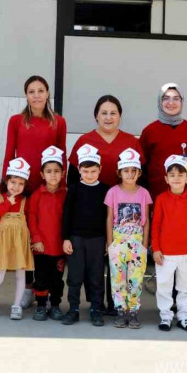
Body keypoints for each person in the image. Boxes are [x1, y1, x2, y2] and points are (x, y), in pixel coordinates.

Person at [67, 95, 144, 315]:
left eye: (113, 113)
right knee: (94, 259)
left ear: (120, 116)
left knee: (118, 255)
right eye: (104, 113)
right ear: (96, 116)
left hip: (123, 212)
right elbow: (72, 179)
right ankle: (94, 303)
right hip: (91, 208)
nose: (108, 117)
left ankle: (115, 303)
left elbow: (141, 178)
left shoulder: (131, 141)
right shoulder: (85, 141)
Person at [1, 76, 67, 310]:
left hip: (50, 188)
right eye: (31, 91)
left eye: (40, 90)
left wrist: (62, 185)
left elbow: (63, 156)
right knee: (28, 240)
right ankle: (29, 288)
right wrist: (5, 186)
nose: (36, 95)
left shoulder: (58, 122)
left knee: (49, 240)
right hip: (24, 188)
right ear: (26, 95)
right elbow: (10, 153)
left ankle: (49, 288)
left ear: (48, 93)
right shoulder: (16, 121)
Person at [151, 155, 187, 332]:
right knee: (164, 286)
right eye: (172, 175)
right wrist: (156, 248)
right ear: (166, 178)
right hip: (165, 254)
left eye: (180, 174)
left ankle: (183, 316)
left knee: (186, 287)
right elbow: (156, 225)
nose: (176, 178)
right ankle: (165, 316)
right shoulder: (161, 199)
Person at [0, 158, 34, 320]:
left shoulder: (25, 201)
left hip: (20, 243)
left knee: (20, 275)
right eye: (13, 182)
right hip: (4, 243)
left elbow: (30, 220)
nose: (16, 187)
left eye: (20, 183)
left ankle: (16, 306)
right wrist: (7, 203)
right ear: (6, 181)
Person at [61, 144, 109, 327]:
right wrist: (66, 238)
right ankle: (73, 308)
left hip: (97, 239)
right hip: (76, 239)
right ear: (79, 170)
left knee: (96, 275)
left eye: (93, 171)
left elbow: (108, 217)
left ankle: (96, 308)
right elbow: (66, 215)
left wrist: (107, 240)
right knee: (74, 275)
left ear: (100, 170)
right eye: (85, 171)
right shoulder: (73, 189)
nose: (89, 175)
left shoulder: (105, 189)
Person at [104, 148, 152, 329]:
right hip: (118, 242)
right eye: (126, 170)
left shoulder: (144, 193)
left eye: (133, 170)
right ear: (119, 172)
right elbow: (109, 218)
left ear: (139, 172)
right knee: (118, 278)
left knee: (136, 277)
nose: (130, 174)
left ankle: (133, 310)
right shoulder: (113, 192)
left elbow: (146, 220)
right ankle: (120, 309)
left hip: (137, 243)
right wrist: (110, 243)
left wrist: (145, 244)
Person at [140, 83, 187, 200]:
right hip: (157, 195)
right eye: (166, 98)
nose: (171, 103)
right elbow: (142, 164)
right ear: (159, 102)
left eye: (176, 98)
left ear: (182, 102)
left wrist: (184, 181)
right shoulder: (149, 131)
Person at [28, 146, 68, 322]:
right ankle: (41, 305)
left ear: (63, 173)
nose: (53, 175)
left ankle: (55, 305)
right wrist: (36, 239)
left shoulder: (66, 194)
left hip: (59, 247)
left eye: (57, 171)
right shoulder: (37, 195)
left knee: (57, 280)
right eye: (49, 171)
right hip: (41, 247)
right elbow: (32, 218)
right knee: (41, 278)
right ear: (42, 174)